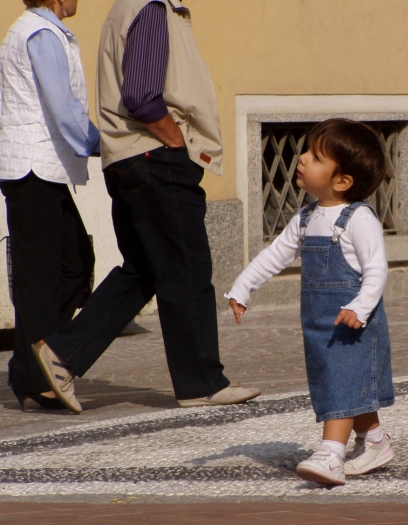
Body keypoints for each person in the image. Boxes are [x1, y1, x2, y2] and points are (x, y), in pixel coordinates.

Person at [31, 0, 261, 414]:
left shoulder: (128, 9)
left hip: (129, 161)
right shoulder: (152, 8)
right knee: (187, 269)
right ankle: (201, 382)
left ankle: (63, 352)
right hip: (157, 158)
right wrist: (176, 140)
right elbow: (141, 94)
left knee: (143, 271)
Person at [228, 118, 395, 486]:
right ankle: (375, 441)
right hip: (319, 323)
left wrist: (360, 306)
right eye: (306, 150)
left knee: (341, 382)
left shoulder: (358, 218)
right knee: (344, 383)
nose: (302, 159)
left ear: (342, 181)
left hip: (352, 323)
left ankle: (330, 454)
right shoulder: (306, 218)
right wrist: (243, 286)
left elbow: (376, 269)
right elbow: (275, 255)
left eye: (316, 157)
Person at [0, 0, 98, 411]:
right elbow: (63, 109)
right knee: (41, 278)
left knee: (73, 265)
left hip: (42, 170)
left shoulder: (40, 30)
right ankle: (37, 378)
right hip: (32, 170)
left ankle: (40, 362)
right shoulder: (40, 33)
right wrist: (101, 142)